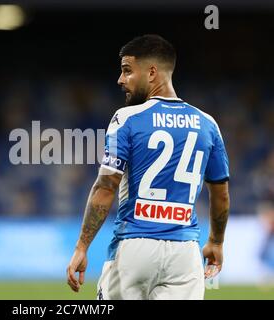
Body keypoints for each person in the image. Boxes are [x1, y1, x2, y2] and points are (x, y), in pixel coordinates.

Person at [66, 34, 230, 300]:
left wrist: (81, 247)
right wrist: (216, 242)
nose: (121, 79)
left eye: (127, 70)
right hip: (185, 254)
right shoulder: (207, 124)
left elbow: (106, 186)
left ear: (152, 72)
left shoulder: (127, 118)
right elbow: (221, 194)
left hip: (134, 248)